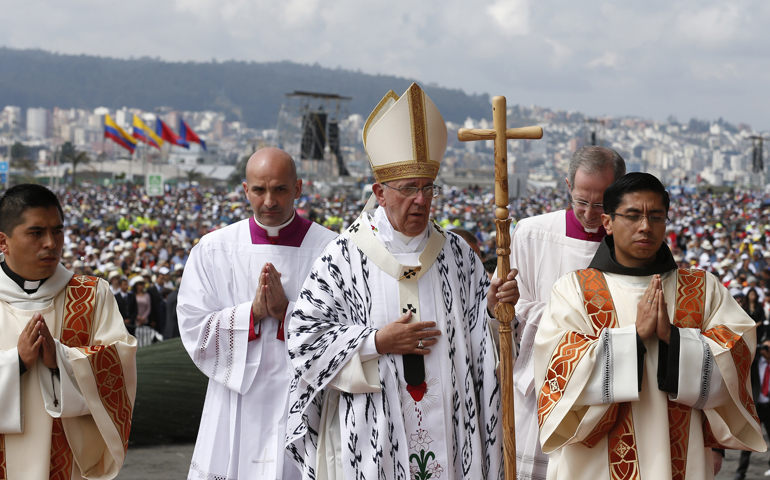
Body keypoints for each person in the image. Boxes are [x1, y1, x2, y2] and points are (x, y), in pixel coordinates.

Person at [285, 83, 518, 480]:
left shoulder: (457, 255)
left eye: (428, 188)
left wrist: (494, 311)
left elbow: (481, 341)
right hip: (377, 427)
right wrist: (377, 341)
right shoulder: (344, 258)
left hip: (453, 427)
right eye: (409, 188)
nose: (422, 200)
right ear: (379, 192)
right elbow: (303, 337)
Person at [535, 173, 765, 479]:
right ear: (607, 222)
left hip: (682, 456)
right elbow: (557, 371)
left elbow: (737, 355)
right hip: (596, 464)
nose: (645, 226)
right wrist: (633, 338)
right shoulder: (575, 290)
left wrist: (674, 338)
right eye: (632, 215)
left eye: (656, 217)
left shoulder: (701, 288)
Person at [177, 147, 337, 480]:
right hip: (236, 397)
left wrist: (286, 314)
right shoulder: (213, 249)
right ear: (245, 190)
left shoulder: (332, 250)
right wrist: (251, 314)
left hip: (304, 396)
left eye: (280, 189)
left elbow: (345, 332)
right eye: (259, 190)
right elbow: (193, 326)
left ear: (297, 189)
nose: (269, 201)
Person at [499, 146, 625, 480]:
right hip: (534, 390)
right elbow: (511, 310)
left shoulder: (629, 245)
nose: (589, 213)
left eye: (601, 204)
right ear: (568, 185)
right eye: (581, 201)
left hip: (601, 392)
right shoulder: (531, 233)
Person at [0, 183, 136, 479]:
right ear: (3, 242)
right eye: (36, 233)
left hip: (67, 463)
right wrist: (17, 363)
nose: (51, 243)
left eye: (58, 231)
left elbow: (119, 366)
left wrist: (60, 360)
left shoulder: (91, 295)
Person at [734, 339, 770, 480]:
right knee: (749, 442)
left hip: (769, 408)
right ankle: (740, 472)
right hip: (755, 408)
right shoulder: (754, 364)